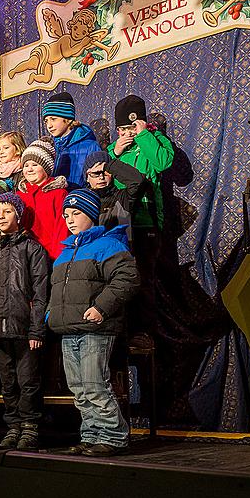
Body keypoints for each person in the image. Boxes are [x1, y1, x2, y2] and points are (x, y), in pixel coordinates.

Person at [48, 189, 138, 457]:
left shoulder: (108, 245)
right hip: (69, 329)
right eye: (66, 215)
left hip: (95, 328)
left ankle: (113, 435)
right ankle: (92, 435)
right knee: (79, 389)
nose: (70, 219)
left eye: (76, 213)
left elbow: (127, 278)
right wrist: (51, 315)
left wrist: (101, 307)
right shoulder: (66, 251)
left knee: (95, 384)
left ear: (91, 214)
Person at [0, 192, 49, 450]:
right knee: (7, 382)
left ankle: (29, 426)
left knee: (28, 380)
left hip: (24, 328)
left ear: (18, 215)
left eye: (7, 212)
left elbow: (41, 293)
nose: (1, 217)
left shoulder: (32, 249)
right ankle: (13, 426)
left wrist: (37, 330)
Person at [107, 94, 174, 336]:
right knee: (118, 277)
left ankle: (144, 333)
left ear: (143, 123)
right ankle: (121, 330)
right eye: (123, 128)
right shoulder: (115, 149)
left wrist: (144, 134)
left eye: (132, 127)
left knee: (143, 279)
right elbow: (102, 176)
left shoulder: (155, 141)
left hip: (146, 221)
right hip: (120, 221)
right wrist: (114, 152)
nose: (129, 133)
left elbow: (163, 162)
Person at [17, 138, 70, 260]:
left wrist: (57, 257)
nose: (29, 169)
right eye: (26, 165)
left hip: (50, 255)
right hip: (25, 257)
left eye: (35, 165)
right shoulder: (20, 195)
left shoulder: (58, 194)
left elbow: (62, 228)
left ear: (46, 168)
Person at [42, 92, 102, 189]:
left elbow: (98, 181)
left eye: (53, 119)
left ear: (68, 119)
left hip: (79, 201)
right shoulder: (50, 147)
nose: (49, 125)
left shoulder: (91, 146)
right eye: (46, 121)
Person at [82, 150, 146, 238]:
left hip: (118, 249)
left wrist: (109, 166)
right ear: (87, 178)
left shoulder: (122, 198)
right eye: (96, 173)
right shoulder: (82, 200)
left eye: (106, 173)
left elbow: (137, 181)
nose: (101, 177)